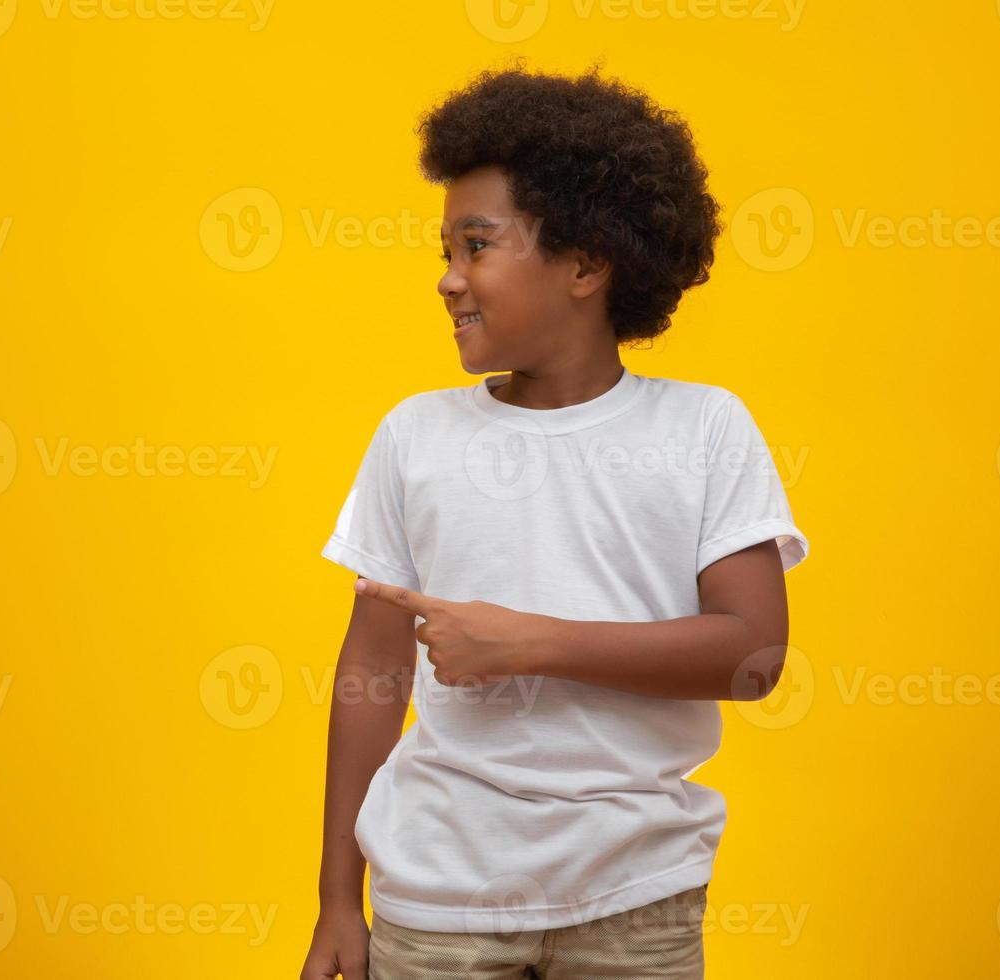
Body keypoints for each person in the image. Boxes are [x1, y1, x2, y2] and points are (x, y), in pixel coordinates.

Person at [300, 61, 809, 980]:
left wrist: (528, 643)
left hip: (637, 895)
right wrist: (339, 897)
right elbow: (371, 672)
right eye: (444, 252)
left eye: (477, 247)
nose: (449, 281)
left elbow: (752, 655)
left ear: (585, 262)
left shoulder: (704, 427)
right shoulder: (415, 436)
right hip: (437, 896)